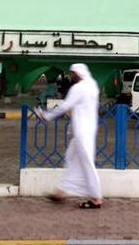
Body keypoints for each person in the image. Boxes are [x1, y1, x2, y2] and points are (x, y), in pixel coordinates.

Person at [35, 63, 103, 209]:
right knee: (72, 159)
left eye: (73, 73)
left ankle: (96, 197)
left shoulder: (78, 88)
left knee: (85, 163)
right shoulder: (93, 85)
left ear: (78, 73)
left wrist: (47, 115)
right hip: (88, 130)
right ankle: (61, 191)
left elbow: (65, 106)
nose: (72, 76)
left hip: (81, 131)